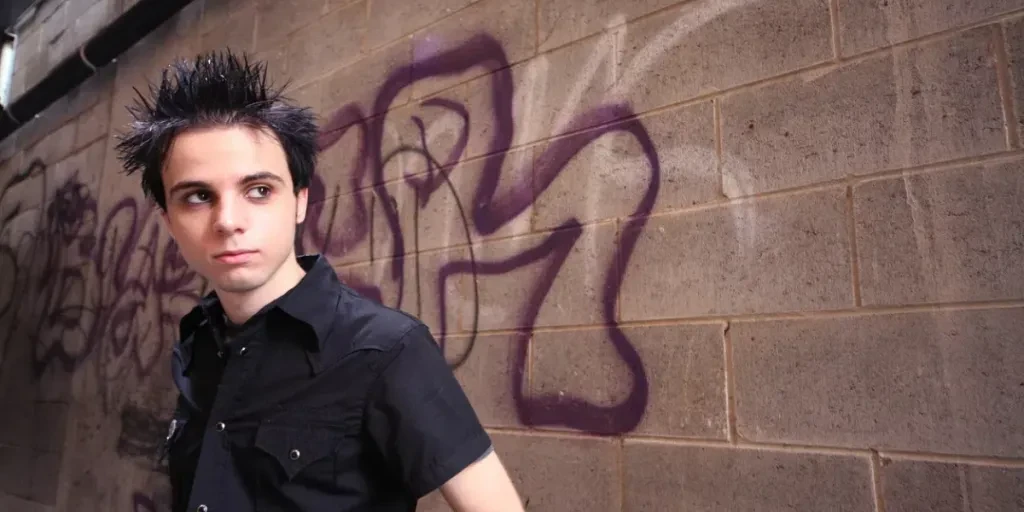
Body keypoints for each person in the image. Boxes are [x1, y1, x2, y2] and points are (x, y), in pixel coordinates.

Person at [115, 50, 524, 512]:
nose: (228, 221)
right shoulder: (200, 345)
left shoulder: (385, 349)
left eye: (259, 190)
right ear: (168, 220)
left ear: (299, 201)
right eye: (197, 196)